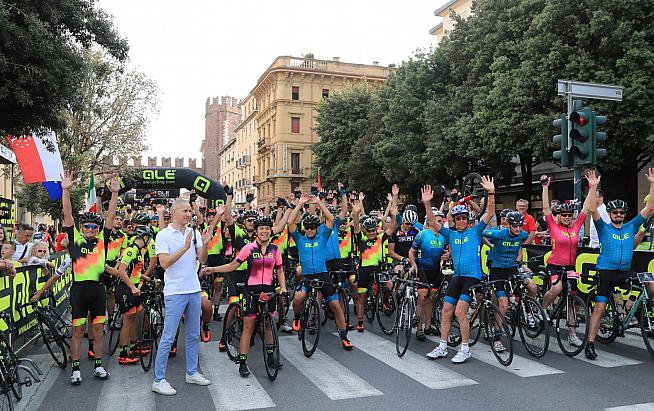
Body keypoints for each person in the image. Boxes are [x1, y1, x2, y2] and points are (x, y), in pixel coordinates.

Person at [60, 171, 125, 385]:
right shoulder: (75, 238)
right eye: (86, 226)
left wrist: (114, 194)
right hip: (79, 290)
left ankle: (98, 365)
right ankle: (76, 369)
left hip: (98, 290)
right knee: (77, 331)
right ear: (81, 228)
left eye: (93, 227)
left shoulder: (102, 240)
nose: (90, 229)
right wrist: (66, 190)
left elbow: (110, 215)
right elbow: (67, 214)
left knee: (97, 331)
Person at [422, 176, 495, 364]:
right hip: (458, 277)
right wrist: (427, 204)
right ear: (454, 220)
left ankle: (465, 348)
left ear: (468, 219)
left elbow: (490, 212)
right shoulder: (451, 234)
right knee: (446, 310)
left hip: (473, 278)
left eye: (464, 218)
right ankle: (443, 346)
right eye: (458, 218)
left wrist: (491, 192)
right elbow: (432, 222)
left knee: (460, 312)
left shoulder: (475, 231)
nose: (461, 221)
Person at [203, 215, 287, 377]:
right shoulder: (249, 248)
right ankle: (242, 362)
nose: (264, 231)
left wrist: (283, 287)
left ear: (271, 231)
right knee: (248, 327)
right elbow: (232, 265)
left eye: (267, 229)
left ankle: (270, 355)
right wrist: (213, 270)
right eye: (261, 229)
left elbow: (280, 270)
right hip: (251, 292)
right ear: (256, 231)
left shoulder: (275, 250)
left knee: (269, 325)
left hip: (269, 292)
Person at [585, 168, 654, 360]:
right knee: (599, 308)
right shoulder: (604, 227)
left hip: (624, 272)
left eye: (621, 212)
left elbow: (649, 209)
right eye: (615, 212)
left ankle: (647, 311)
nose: (618, 214)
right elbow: (591, 209)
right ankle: (590, 343)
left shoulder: (630, 226)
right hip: (606, 272)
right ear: (609, 213)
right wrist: (593, 187)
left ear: (624, 214)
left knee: (650, 281)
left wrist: (652, 183)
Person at [152, 199, 211, 396]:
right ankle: (158, 380)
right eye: (185, 211)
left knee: (194, 334)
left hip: (193, 289)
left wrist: (206, 244)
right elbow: (164, 263)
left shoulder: (194, 232)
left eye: (190, 211)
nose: (189, 214)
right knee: (168, 336)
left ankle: (192, 372)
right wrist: (185, 248)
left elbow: (202, 260)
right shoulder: (163, 235)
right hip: (175, 291)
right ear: (174, 212)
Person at [539, 172, 597, 349]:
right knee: (556, 288)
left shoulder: (576, 226)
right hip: (555, 265)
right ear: (559, 216)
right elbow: (546, 209)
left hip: (570, 266)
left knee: (572, 299)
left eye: (569, 215)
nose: (567, 217)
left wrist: (593, 187)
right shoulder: (553, 226)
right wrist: (545, 187)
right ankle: (543, 309)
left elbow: (586, 208)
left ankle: (572, 334)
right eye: (564, 215)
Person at [288, 193, 353, 350]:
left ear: (317, 228)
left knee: (336, 305)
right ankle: (297, 318)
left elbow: (331, 219)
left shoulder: (322, 237)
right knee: (297, 299)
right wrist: (299, 204)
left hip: (322, 275)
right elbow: (290, 222)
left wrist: (319, 203)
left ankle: (344, 336)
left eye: (312, 227)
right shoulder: (300, 239)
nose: (310, 230)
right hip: (308, 276)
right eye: (307, 227)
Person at [482, 211, 529, 352]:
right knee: (503, 303)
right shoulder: (498, 234)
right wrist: (490, 246)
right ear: (508, 224)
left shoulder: (523, 235)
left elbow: (522, 243)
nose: (518, 228)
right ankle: (497, 337)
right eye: (515, 225)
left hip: (512, 269)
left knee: (530, 285)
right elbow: (480, 233)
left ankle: (532, 313)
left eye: (520, 225)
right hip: (497, 271)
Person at [409, 208, 447, 340]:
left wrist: (445, 258)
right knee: (422, 297)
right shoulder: (422, 234)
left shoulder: (443, 236)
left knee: (432, 298)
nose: (440, 223)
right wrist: (413, 264)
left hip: (437, 271)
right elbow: (411, 251)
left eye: (442, 221)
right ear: (431, 222)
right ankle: (419, 328)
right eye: (438, 221)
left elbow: (447, 252)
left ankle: (428, 327)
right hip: (423, 269)